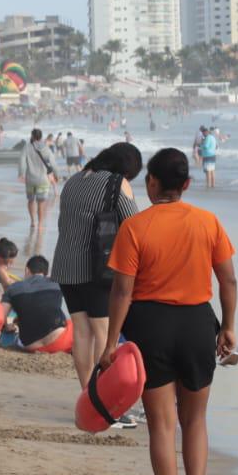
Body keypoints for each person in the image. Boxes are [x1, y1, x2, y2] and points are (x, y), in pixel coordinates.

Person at [101, 148, 238, 475]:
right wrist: (228, 326)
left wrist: (110, 344)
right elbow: (228, 279)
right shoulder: (207, 222)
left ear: (151, 183)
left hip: (151, 327)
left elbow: (122, 292)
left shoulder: (136, 227)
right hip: (197, 325)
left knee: (161, 425)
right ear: (187, 184)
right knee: (195, 420)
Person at [51, 143, 143, 388]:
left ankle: (86, 391)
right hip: (97, 269)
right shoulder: (116, 182)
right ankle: (101, 393)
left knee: (82, 332)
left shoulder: (73, 180)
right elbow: (134, 226)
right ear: (126, 169)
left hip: (65, 265)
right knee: (103, 331)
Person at [0, 255, 71, 353]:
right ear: (46, 273)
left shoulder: (13, 288)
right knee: (71, 323)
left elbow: (0, 315)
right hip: (59, 343)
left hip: (30, 346)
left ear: (27, 270)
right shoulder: (57, 283)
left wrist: (7, 326)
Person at [17, 128, 58, 230]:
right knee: (41, 203)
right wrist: (56, 175)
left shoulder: (27, 147)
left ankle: (32, 221)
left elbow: (21, 161)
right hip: (43, 180)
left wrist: (21, 173)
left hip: (30, 179)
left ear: (32, 136)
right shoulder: (46, 148)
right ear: (41, 137)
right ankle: (40, 224)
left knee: (31, 201)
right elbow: (53, 163)